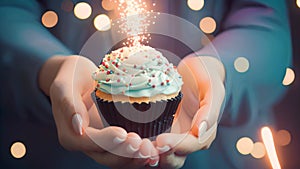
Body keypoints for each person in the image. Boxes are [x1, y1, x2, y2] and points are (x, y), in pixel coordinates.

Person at [0, 0, 291, 169]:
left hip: (220, 153)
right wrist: (48, 68)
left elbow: (266, 21)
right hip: (44, 150)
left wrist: (219, 69)